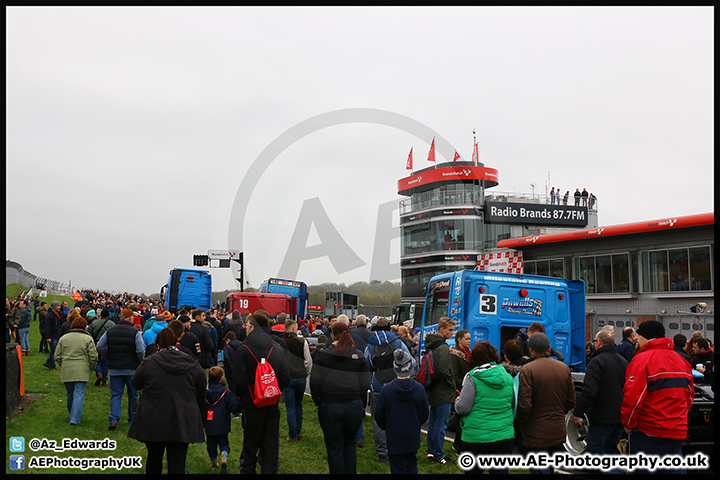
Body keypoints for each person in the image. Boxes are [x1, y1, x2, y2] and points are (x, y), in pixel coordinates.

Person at [127, 328, 207, 474]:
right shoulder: (192, 364)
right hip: (182, 416)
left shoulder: (150, 362)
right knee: (177, 461)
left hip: (154, 415)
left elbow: (136, 382)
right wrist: (196, 409)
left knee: (154, 457)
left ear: (157, 345)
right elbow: (202, 390)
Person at [621, 320, 693, 474]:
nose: (635, 339)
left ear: (645, 337)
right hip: (676, 430)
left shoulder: (642, 359)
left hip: (649, 431)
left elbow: (633, 398)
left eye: (638, 336)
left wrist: (628, 424)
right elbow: (689, 396)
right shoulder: (681, 360)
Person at [230, 310, 291, 474]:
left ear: (251, 327)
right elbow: (286, 377)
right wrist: (272, 390)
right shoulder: (277, 349)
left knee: (250, 447)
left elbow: (239, 381)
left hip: (251, 405)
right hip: (271, 404)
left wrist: (244, 396)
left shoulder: (244, 350)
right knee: (270, 447)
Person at [311, 321, 370, 474]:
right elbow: (365, 383)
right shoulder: (358, 354)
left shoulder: (324, 354)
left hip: (329, 404)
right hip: (353, 404)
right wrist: (362, 403)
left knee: (334, 447)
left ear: (332, 335)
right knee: (349, 444)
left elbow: (315, 380)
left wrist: (317, 400)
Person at [516, 333, 576, 474]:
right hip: (557, 428)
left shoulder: (528, 369)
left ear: (530, 350)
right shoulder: (563, 368)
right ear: (549, 348)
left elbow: (525, 404)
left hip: (535, 429)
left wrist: (522, 422)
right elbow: (571, 401)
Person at [454, 341, 515, 475]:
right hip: (503, 436)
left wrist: (457, 402)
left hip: (476, 437)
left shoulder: (473, 378)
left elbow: (463, 408)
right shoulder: (508, 377)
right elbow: (512, 405)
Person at [573, 330, 628, 473]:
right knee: (611, 448)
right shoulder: (623, 362)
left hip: (602, 416)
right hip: (619, 416)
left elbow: (589, 391)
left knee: (596, 450)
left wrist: (579, 412)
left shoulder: (596, 362)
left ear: (599, 343)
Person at [364, 316, 411, 463]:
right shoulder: (397, 342)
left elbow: (365, 363)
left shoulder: (370, 344)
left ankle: (383, 454)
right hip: (396, 386)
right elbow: (411, 361)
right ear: (390, 328)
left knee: (378, 421)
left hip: (377, 387)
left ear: (376, 329)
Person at [374, 348, 429, 474]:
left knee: (397, 467)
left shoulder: (387, 391)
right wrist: (416, 423)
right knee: (411, 465)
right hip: (412, 435)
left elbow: (379, 415)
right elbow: (425, 413)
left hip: (394, 436)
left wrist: (387, 426)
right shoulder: (419, 389)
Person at [97, 308, 145, 430]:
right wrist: (140, 361)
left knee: (116, 395)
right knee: (133, 395)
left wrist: (109, 356)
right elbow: (140, 350)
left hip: (115, 368)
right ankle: (132, 418)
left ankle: (114, 419)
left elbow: (100, 346)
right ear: (129, 318)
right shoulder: (135, 332)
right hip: (131, 368)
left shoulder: (110, 331)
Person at [424, 316, 457, 464]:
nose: (452, 333)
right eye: (450, 330)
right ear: (442, 330)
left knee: (433, 422)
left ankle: (431, 451)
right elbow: (444, 369)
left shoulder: (431, 344)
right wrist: (452, 383)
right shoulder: (443, 347)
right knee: (440, 424)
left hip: (433, 387)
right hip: (443, 389)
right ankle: (438, 453)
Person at [54, 316, 98, 425]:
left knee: (70, 394)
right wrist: (92, 367)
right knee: (78, 395)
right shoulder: (88, 339)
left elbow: (57, 355)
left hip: (67, 368)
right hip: (82, 369)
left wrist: (62, 364)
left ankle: (72, 414)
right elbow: (93, 356)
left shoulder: (64, 338)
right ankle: (74, 418)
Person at [203, 366, 242, 474]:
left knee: (211, 444)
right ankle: (224, 455)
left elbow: (202, 409)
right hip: (222, 423)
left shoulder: (205, 394)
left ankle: (214, 463)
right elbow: (233, 407)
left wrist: (203, 422)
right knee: (223, 442)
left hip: (210, 424)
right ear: (222, 378)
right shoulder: (226, 393)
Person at [281, 319, 313, 442]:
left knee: (290, 406)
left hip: (288, 376)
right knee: (299, 404)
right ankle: (298, 431)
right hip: (300, 376)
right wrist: (306, 372)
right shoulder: (302, 341)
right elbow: (308, 360)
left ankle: (293, 434)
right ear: (294, 329)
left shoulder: (282, 342)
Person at [88, 308, 114, 387]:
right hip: (107, 345)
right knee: (105, 363)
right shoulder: (112, 324)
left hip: (96, 345)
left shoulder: (94, 323)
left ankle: (99, 373)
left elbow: (89, 333)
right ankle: (104, 380)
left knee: (97, 360)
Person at [43, 300, 66, 370]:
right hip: (52, 335)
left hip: (58, 335)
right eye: (58, 306)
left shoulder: (60, 314)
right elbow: (46, 327)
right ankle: (53, 367)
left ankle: (48, 362)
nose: (60, 307)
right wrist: (48, 337)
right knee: (53, 351)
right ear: (54, 307)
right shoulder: (49, 315)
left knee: (57, 351)